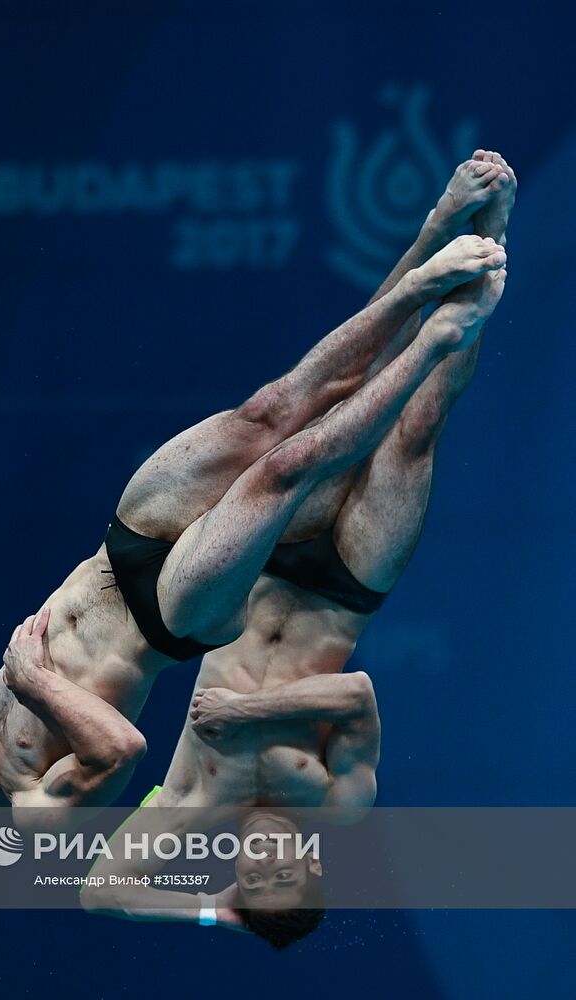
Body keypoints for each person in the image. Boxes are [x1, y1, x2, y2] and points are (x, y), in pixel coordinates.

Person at [0, 151, 512, 856]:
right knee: (286, 467)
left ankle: (424, 251)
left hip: (121, 546)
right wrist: (26, 678)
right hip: (167, 615)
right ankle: (436, 340)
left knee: (271, 409)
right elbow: (121, 749)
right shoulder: (29, 810)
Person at [81, 151, 517, 945]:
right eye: (284, 873)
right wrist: (250, 710)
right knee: (416, 428)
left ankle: (438, 227)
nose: (264, 860)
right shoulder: (337, 805)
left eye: (251, 878)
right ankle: (488, 230)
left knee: (347, 395)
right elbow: (356, 700)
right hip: (348, 587)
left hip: (269, 566)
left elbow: (101, 893)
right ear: (312, 865)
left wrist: (219, 915)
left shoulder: (192, 801)